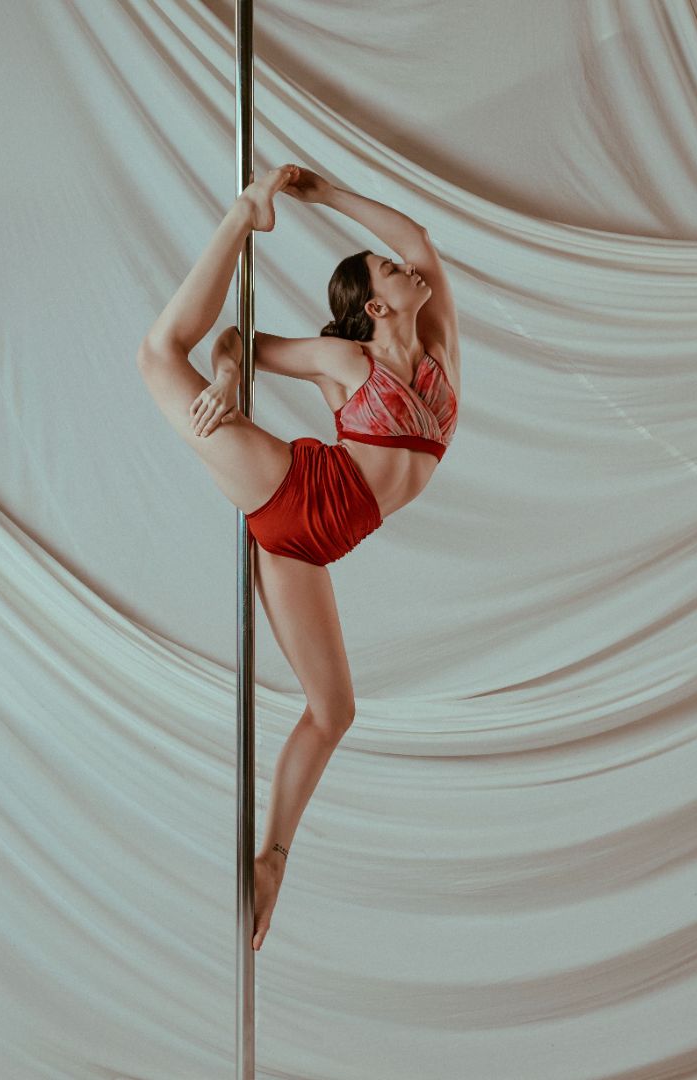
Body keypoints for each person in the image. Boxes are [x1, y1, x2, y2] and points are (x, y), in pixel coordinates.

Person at [137, 163, 460, 951]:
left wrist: (326, 196)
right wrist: (224, 377)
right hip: (299, 490)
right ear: (377, 305)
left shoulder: (440, 359)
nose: (407, 266)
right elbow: (237, 340)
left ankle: (272, 860)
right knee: (158, 354)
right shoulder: (341, 360)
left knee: (333, 712)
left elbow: (419, 238)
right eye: (389, 270)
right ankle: (241, 215)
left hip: (315, 548)